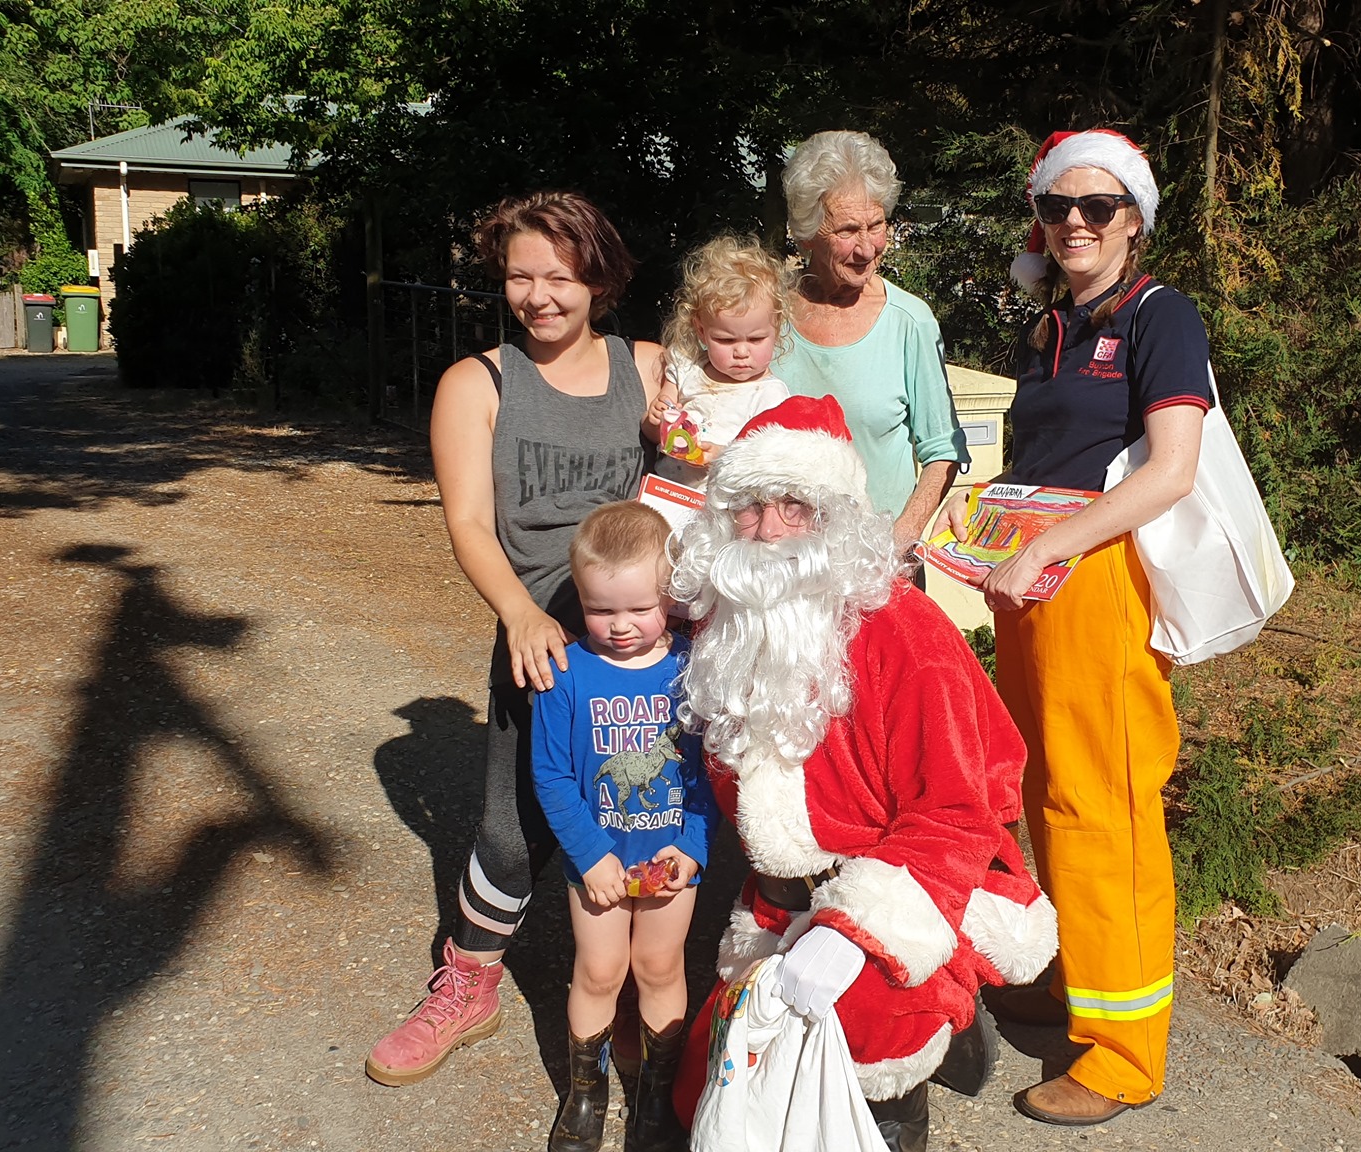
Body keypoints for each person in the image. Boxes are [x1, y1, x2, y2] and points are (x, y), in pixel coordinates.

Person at [666, 395, 1058, 1152]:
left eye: (795, 506)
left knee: (868, 1037)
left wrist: (854, 934)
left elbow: (960, 815)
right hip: (781, 898)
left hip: (911, 883)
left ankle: (912, 1079)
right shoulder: (728, 619)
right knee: (708, 1095)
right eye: (750, 508)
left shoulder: (905, 633)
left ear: (837, 520)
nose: (769, 530)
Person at [365, 191, 669, 1089]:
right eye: (519, 277)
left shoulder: (649, 368)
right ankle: (470, 981)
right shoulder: (477, 384)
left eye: (559, 277)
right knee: (514, 823)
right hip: (545, 640)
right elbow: (468, 521)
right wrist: (520, 613)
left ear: (599, 280)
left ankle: (641, 987)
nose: (538, 296)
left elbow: (709, 460)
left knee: (649, 804)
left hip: (645, 639)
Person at [941, 129, 1211, 1126]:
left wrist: (1047, 550)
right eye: (1058, 206)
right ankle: (1070, 977)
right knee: (1039, 786)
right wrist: (984, 532)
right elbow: (1043, 467)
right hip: (1035, 585)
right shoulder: (1049, 325)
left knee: (1105, 805)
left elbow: (1170, 470)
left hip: (1100, 583)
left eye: (1098, 206)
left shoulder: (1159, 314)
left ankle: (1123, 1052)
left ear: (1134, 221)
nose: (1075, 223)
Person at [530, 501, 712, 1152]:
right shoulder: (564, 673)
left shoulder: (692, 670)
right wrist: (590, 855)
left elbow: (709, 771)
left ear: (671, 594)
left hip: (669, 856)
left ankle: (657, 1100)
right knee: (601, 970)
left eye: (640, 607)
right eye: (601, 609)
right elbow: (552, 776)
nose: (622, 625)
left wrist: (692, 846)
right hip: (598, 861)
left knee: (659, 966)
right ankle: (586, 1093)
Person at [772, 130, 970, 552]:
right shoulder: (764, 315)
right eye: (847, 230)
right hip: (775, 560)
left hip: (880, 562)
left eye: (877, 225)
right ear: (806, 234)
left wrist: (898, 543)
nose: (867, 248)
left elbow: (942, 451)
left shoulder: (909, 321)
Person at [642, 235, 793, 489]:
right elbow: (654, 434)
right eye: (726, 340)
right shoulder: (687, 369)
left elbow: (769, 458)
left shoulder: (770, 395)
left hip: (723, 503)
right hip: (668, 493)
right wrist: (654, 420)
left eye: (756, 339)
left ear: (776, 330)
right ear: (701, 331)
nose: (742, 351)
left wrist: (723, 455)